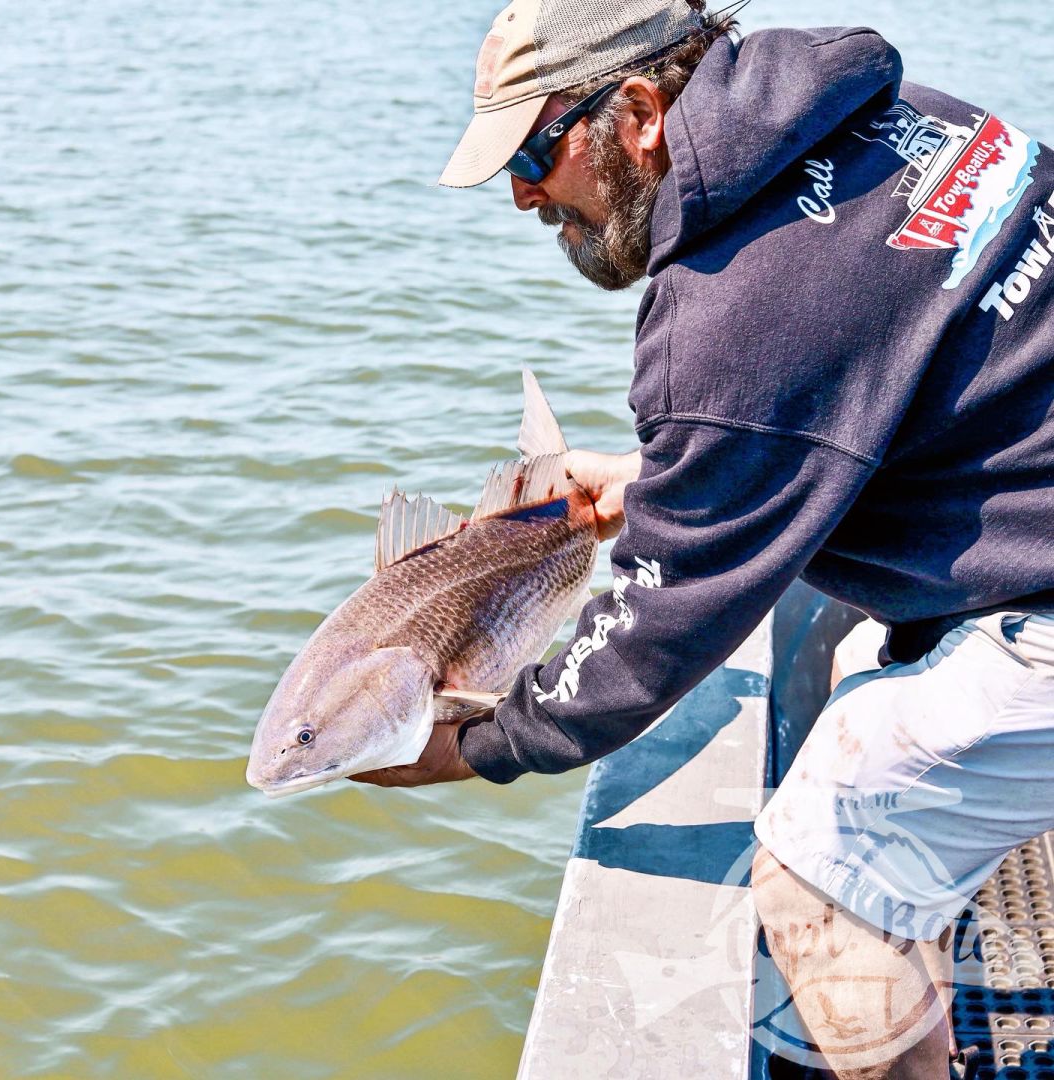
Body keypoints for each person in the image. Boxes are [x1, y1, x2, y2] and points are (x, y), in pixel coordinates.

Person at [349, 2, 1054, 1076]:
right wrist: (666, 486)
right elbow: (899, 384)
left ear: (636, 110)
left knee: (824, 871)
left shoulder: (728, 316)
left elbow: (654, 633)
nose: (524, 192)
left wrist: (473, 745)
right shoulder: (895, 123)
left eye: (537, 150)